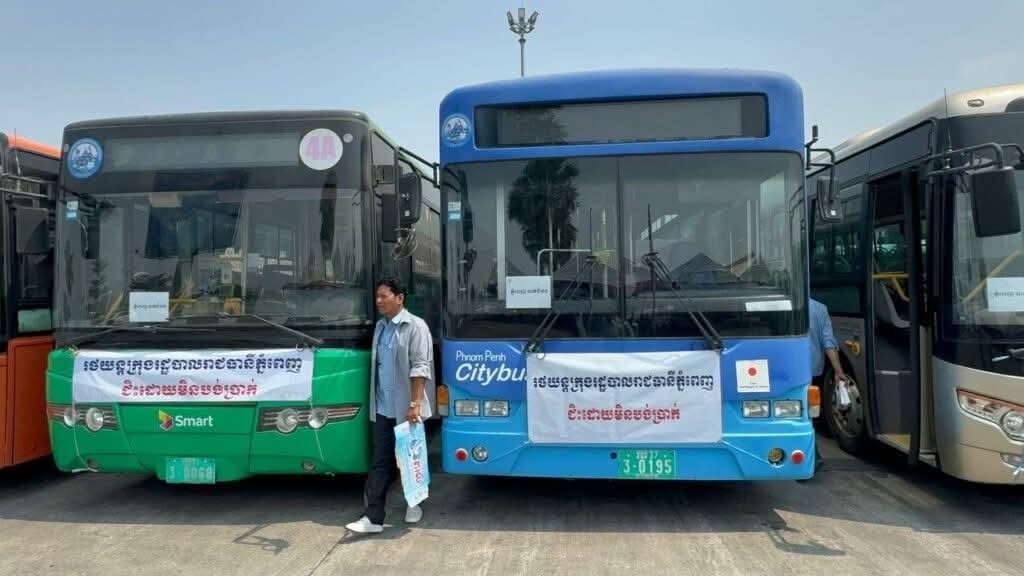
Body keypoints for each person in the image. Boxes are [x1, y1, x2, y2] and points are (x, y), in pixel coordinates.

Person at [346, 277, 434, 534]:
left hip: (407, 407)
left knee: (409, 458)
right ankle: (373, 518)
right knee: (380, 461)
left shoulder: (416, 327)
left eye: (384, 296)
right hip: (383, 407)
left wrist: (415, 403)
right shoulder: (380, 327)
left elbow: (420, 367)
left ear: (400, 298)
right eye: (377, 296)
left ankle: (414, 504)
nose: (379, 301)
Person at [809, 297, 847, 472]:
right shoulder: (820, 309)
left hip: (788, 371)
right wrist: (838, 370)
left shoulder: (784, 305)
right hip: (813, 370)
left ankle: (810, 455)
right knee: (810, 414)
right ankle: (812, 456)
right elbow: (828, 342)